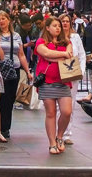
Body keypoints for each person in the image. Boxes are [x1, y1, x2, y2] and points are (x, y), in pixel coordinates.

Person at [34, 16, 73, 154]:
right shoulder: (41, 41)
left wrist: (53, 56)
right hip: (47, 82)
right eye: (55, 25)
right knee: (50, 113)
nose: (58, 28)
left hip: (63, 81)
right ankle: (52, 143)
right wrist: (61, 55)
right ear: (47, 27)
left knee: (66, 111)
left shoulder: (67, 41)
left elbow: (69, 55)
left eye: (59, 26)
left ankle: (60, 136)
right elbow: (45, 53)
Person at [0, 10, 31, 141]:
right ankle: (0, 128)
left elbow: (21, 54)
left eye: (3, 19)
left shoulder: (16, 36)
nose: (1, 21)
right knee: (1, 99)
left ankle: (6, 127)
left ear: (8, 20)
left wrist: (27, 71)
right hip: (0, 69)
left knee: (10, 99)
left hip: (14, 69)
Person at [59, 12, 86, 143]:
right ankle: (58, 132)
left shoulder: (75, 37)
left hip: (72, 72)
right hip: (58, 73)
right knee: (58, 105)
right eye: (62, 21)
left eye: (67, 21)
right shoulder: (55, 37)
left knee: (71, 103)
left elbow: (81, 54)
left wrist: (81, 70)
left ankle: (67, 133)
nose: (65, 23)